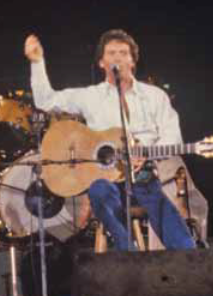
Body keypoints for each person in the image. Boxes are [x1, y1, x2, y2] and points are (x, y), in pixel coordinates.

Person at [24, 29, 195, 251]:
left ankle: (188, 262)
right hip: (106, 180)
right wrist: (37, 62)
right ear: (101, 63)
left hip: (145, 177)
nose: (117, 58)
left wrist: (145, 151)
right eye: (111, 53)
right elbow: (45, 100)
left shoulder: (155, 96)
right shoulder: (90, 96)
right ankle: (127, 254)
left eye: (124, 53)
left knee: (179, 238)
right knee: (99, 191)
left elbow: (173, 135)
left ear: (133, 61)